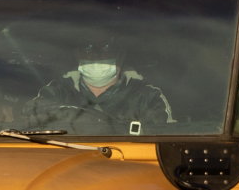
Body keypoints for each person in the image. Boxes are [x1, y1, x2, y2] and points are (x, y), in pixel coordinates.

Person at [25, 41, 173, 134]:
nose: (96, 55)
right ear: (76, 54)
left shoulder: (148, 97)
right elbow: (34, 132)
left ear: (121, 55)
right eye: (88, 48)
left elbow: (161, 144)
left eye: (107, 48)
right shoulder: (56, 91)